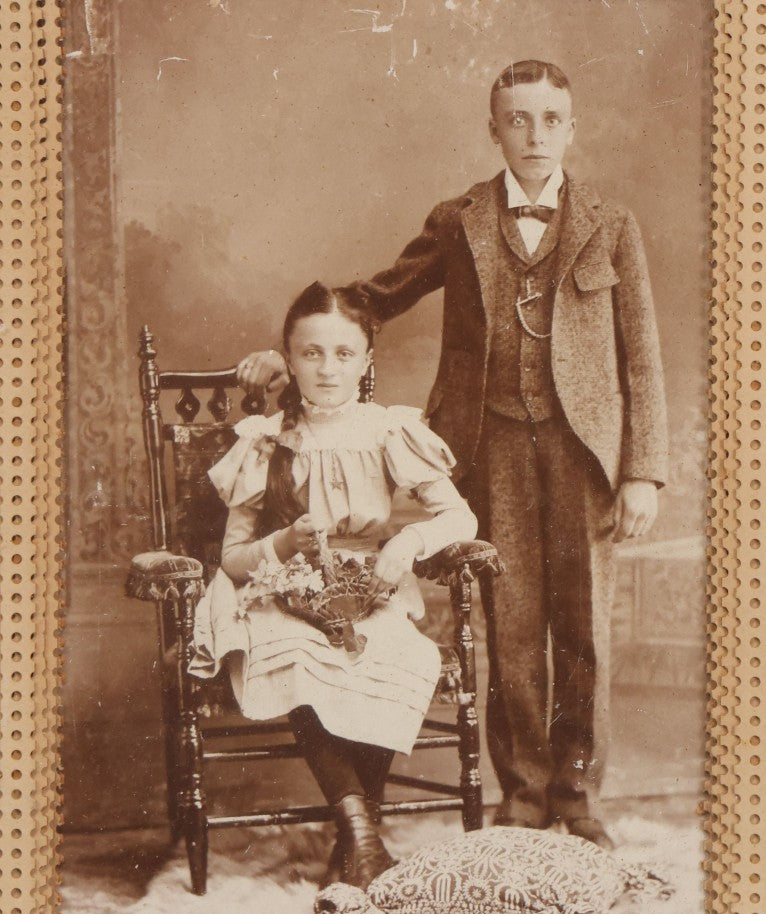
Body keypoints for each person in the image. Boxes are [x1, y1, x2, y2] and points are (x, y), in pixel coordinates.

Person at [236, 60, 668, 850]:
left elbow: (641, 356)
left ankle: (576, 795)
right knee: (511, 624)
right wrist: (288, 347)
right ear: (493, 128)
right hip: (489, 444)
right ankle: (526, 794)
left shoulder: (613, 222)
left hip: (585, 452)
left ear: (572, 127)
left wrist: (642, 470)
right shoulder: (459, 220)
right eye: (517, 119)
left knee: (582, 628)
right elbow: (375, 296)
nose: (534, 135)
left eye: (550, 119)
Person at [191, 281, 478, 890]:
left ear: (367, 360)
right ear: (289, 360)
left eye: (344, 354)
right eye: (312, 353)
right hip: (277, 591)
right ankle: (365, 839)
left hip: (365, 588)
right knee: (295, 659)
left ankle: (354, 844)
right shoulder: (265, 439)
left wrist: (407, 543)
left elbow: (460, 517)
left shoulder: (387, 431)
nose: (328, 368)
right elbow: (235, 559)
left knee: (388, 654)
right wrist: (285, 544)